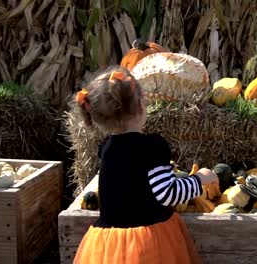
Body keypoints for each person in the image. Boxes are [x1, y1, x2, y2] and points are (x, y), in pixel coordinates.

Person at [73, 66, 218, 264]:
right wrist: (200, 179)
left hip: (109, 245)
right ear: (142, 105)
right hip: (149, 242)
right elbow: (168, 194)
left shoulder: (106, 149)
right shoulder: (152, 147)